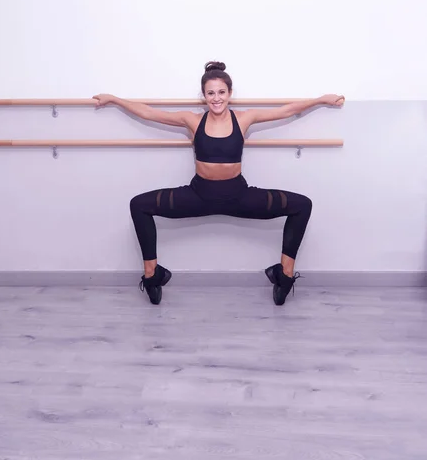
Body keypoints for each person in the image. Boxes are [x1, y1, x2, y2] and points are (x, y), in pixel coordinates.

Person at [93, 61, 344, 306]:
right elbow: (149, 113)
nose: (216, 98)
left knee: (302, 205)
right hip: (198, 195)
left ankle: (285, 276)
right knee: (139, 205)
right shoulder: (192, 121)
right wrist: (114, 99)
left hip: (238, 196)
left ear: (230, 94)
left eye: (221, 92)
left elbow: (286, 111)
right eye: (211, 93)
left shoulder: (244, 119)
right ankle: (152, 276)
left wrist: (320, 99)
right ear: (203, 96)